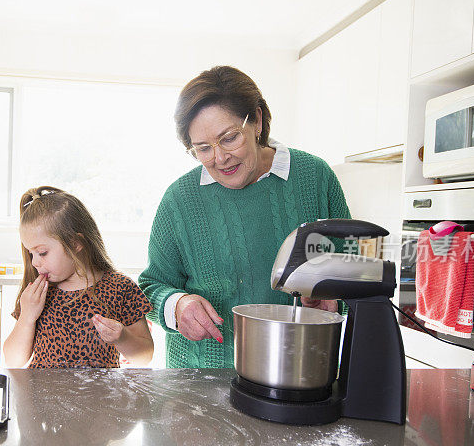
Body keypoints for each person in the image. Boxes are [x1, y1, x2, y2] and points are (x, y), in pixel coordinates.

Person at [139, 65, 351, 368]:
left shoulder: (315, 178)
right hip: (200, 382)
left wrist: (334, 299)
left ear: (258, 121)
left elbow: (355, 271)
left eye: (228, 138)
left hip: (299, 371)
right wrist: (177, 305)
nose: (219, 158)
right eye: (202, 148)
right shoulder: (179, 199)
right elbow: (151, 285)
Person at [3, 186, 153, 368]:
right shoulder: (38, 292)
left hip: (99, 396)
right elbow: (13, 361)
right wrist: (27, 316)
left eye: (42, 252)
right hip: (43, 396)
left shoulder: (120, 287)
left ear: (75, 244)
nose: (34, 262)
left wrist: (122, 338)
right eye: (31, 253)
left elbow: (145, 357)